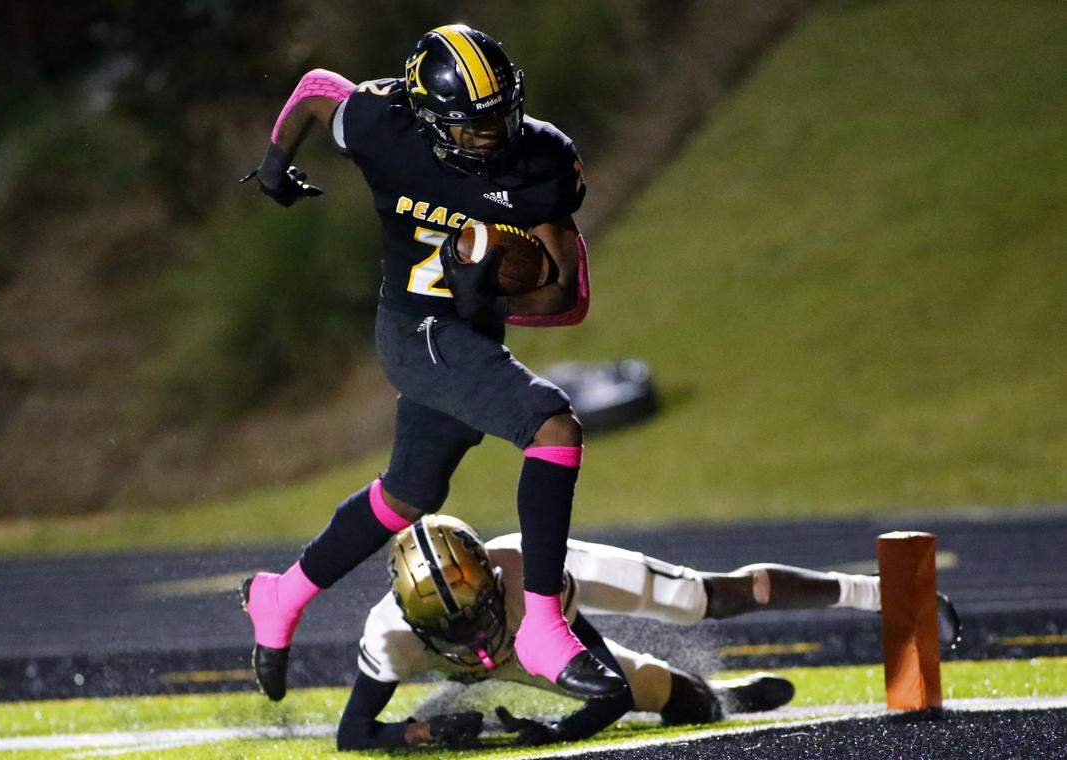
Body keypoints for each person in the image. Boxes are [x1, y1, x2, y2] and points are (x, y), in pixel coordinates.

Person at [238, 24, 620, 703]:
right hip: (414, 333)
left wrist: (496, 285)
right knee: (553, 429)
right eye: (472, 126)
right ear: (426, 117)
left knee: (407, 497)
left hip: (469, 335)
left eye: (501, 114)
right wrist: (274, 165)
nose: (491, 135)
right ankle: (542, 628)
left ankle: (281, 595)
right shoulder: (388, 127)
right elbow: (318, 91)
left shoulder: (542, 159)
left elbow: (568, 299)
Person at [335, 515, 962, 749]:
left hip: (547, 614)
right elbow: (353, 734)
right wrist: (421, 734)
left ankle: (879, 594)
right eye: (455, 621)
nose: (474, 627)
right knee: (678, 698)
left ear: (494, 579)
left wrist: (550, 733)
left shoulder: (532, 584)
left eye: (478, 606)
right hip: (515, 646)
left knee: (701, 598)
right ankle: (724, 698)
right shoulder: (390, 635)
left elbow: (606, 693)